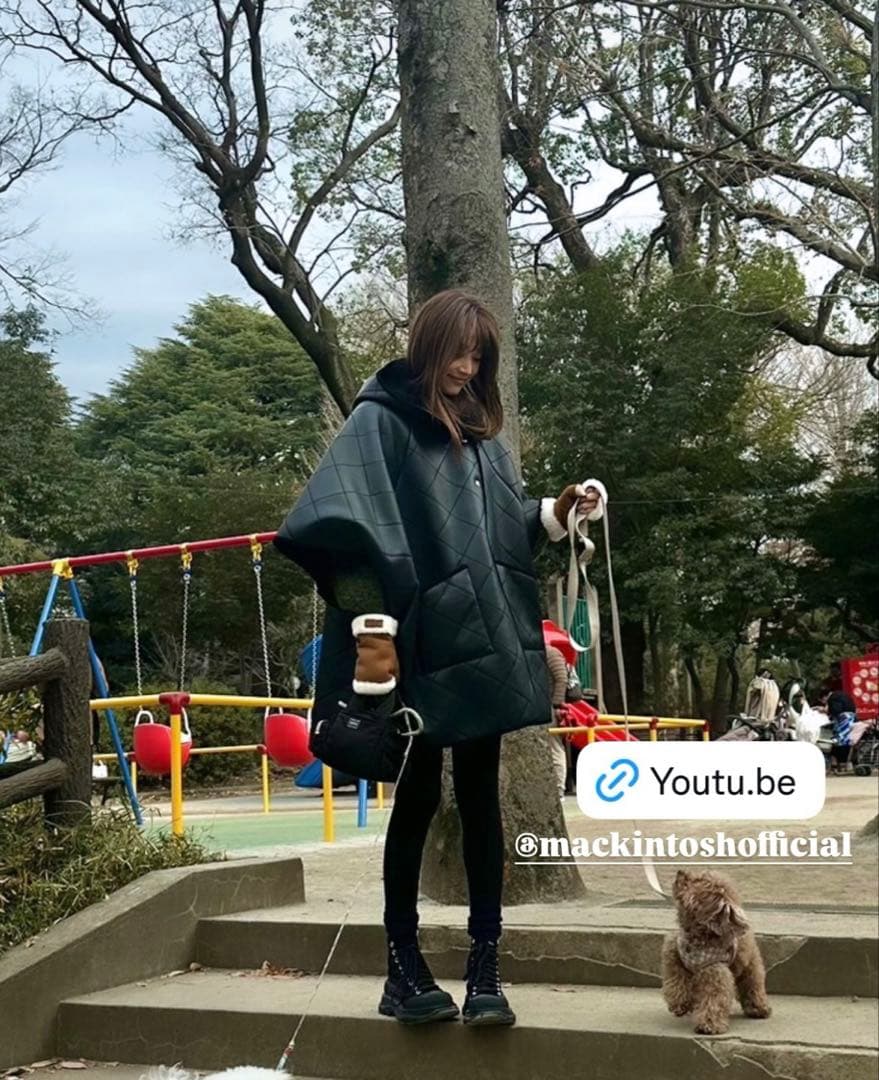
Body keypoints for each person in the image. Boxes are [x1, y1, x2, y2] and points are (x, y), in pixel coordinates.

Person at [275, 289, 603, 1028]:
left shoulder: (484, 436)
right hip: (417, 645)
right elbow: (336, 527)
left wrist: (556, 514)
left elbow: (495, 537)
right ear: (428, 346)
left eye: (478, 357)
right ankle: (402, 969)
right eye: (458, 353)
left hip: (481, 644)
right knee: (418, 797)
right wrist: (374, 636)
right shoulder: (381, 422)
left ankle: (486, 968)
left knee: (481, 800)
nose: (466, 367)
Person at [545, 644, 569, 799]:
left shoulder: (551, 653)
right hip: (540, 705)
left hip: (549, 707)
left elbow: (562, 679)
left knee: (554, 747)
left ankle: (559, 789)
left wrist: (556, 704)